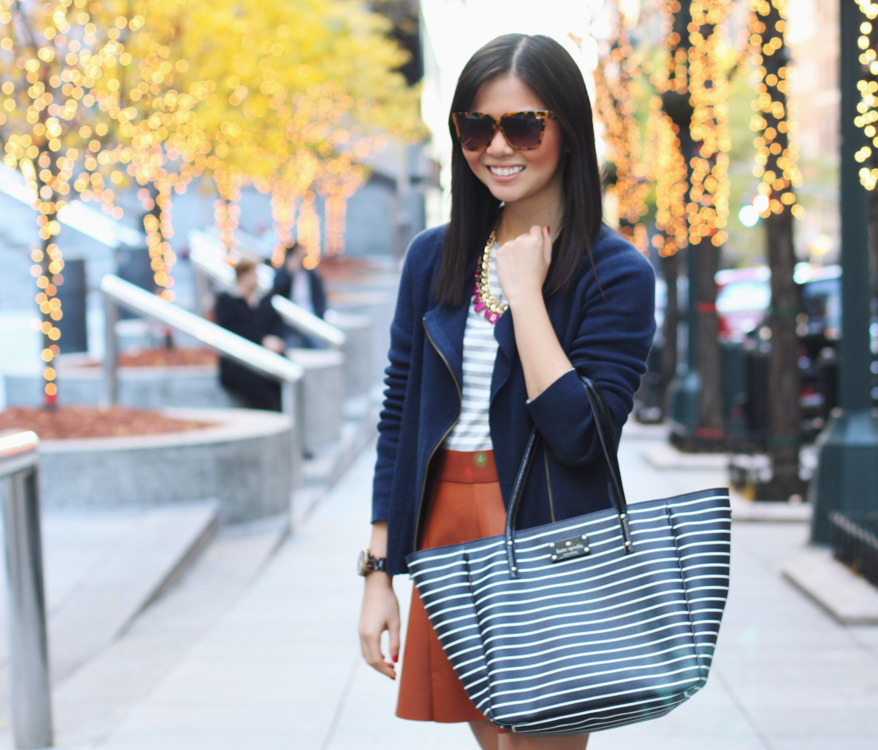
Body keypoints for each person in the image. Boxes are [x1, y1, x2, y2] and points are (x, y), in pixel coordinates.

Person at [356, 33, 656, 750]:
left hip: (550, 532)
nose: (499, 146)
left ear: (568, 132)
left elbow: (581, 435)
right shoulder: (436, 256)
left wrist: (526, 295)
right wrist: (378, 571)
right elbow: (400, 413)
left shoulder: (616, 274)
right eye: (476, 127)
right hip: (448, 531)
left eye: (524, 124)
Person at [214, 258, 286, 411]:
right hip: (241, 363)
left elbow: (276, 324)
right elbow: (232, 331)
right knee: (266, 396)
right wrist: (262, 340)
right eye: (254, 273)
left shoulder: (264, 299)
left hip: (268, 359)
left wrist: (275, 340)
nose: (257, 278)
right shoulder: (226, 301)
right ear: (244, 276)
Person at [272, 242, 328, 349]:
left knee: (317, 347)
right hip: (289, 322)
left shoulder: (311, 275)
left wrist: (320, 316)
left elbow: (320, 298)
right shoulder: (283, 274)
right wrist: (290, 273)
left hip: (310, 319)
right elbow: (277, 293)